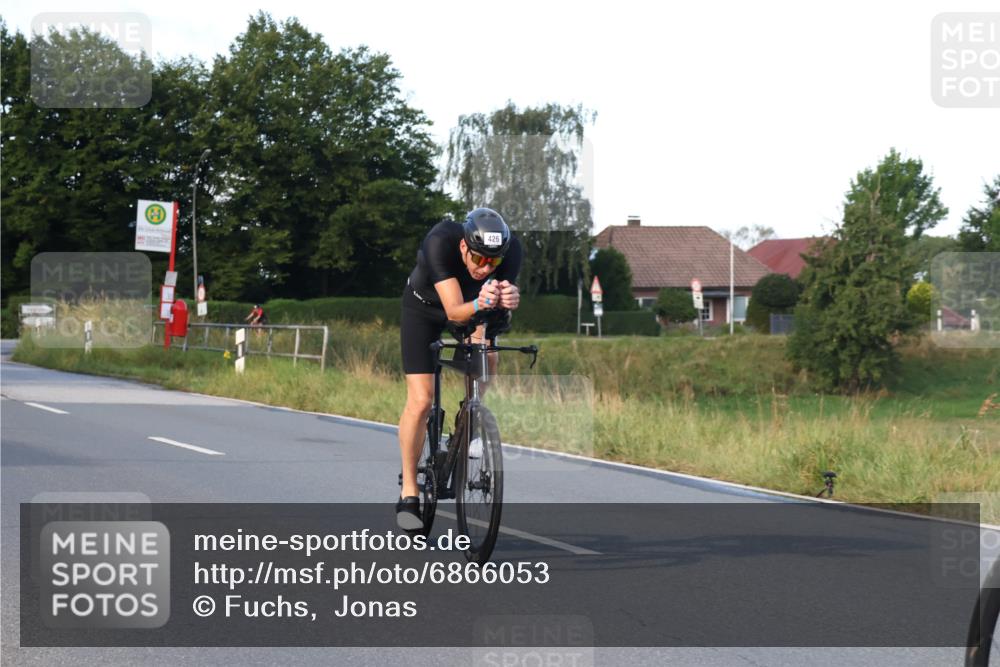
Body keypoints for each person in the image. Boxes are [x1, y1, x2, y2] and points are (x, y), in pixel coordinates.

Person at [396, 208, 522, 530]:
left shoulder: (509, 253)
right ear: (464, 247)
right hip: (425, 310)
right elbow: (454, 312)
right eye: (478, 259)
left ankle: (469, 419)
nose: (485, 268)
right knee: (422, 400)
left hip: (472, 308)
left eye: (492, 263)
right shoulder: (440, 241)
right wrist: (483, 303)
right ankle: (410, 490)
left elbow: (494, 317)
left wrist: (508, 300)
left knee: (488, 357)